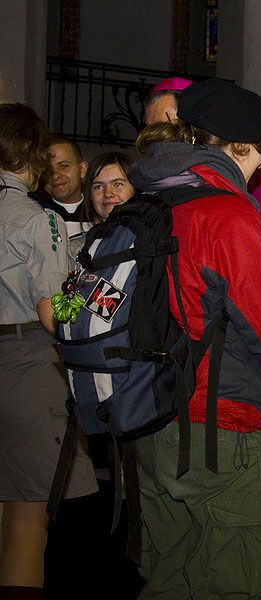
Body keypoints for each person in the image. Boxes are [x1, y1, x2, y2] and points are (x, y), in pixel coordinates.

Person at [130, 78, 261, 599]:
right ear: (246, 150)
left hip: (155, 423)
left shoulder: (151, 202)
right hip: (224, 428)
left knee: (170, 578)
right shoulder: (226, 215)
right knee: (240, 579)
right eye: (258, 158)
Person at [0, 103, 98, 598]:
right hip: (23, 361)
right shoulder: (37, 219)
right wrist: (78, 292)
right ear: (33, 155)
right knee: (29, 510)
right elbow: (51, 311)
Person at [144, 77, 261, 307]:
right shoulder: (166, 181)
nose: (160, 139)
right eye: (152, 128)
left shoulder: (255, 179)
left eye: (169, 126)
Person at [33, 136, 91, 264]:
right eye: (48, 170)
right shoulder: (35, 215)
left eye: (64, 166)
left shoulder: (100, 213)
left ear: (82, 169)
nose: (55, 175)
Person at [80, 152, 135, 225]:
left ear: (135, 188)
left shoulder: (152, 234)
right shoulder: (82, 236)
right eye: (98, 187)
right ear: (90, 195)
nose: (108, 194)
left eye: (117, 184)